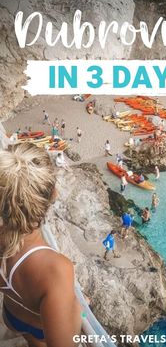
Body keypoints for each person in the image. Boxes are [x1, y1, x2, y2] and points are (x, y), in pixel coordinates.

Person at [0, 143, 81, 347]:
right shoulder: (56, 270)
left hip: (12, 315)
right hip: (40, 325)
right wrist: (77, 310)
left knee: (31, 338)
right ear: (53, 195)